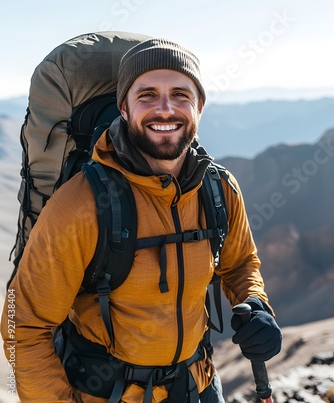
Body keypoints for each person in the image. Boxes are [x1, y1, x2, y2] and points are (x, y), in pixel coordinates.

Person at [1, 38, 282, 402]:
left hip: (197, 386)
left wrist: (256, 303)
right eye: (147, 94)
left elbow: (240, 262)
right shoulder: (81, 204)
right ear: (124, 107)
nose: (165, 109)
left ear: (199, 106)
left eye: (180, 94)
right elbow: (23, 326)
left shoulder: (218, 188)